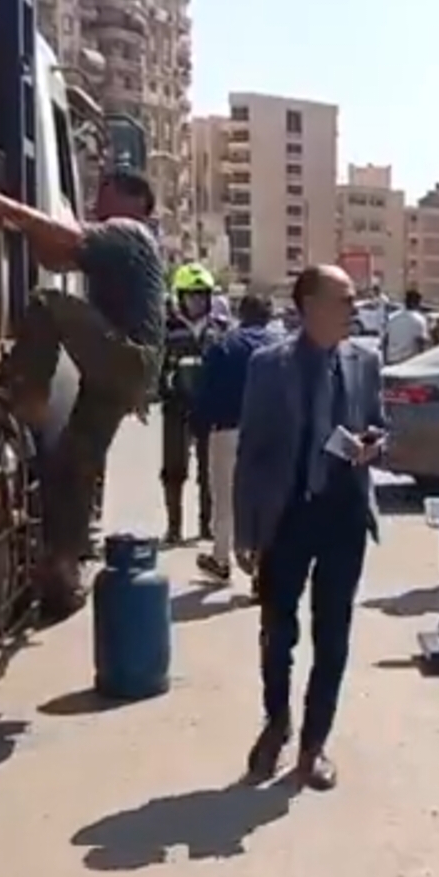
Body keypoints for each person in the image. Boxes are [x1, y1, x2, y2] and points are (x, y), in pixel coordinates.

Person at [0, 170, 165, 619]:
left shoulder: (128, 231)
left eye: (105, 193)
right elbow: (57, 258)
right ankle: (63, 573)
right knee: (74, 466)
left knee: (46, 303)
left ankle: (28, 396)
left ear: (134, 200)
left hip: (124, 356)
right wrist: (28, 227)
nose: (96, 203)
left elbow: (64, 240)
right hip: (127, 372)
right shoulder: (123, 248)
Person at [235, 264, 385, 791]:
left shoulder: (366, 361)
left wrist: (373, 445)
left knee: (333, 633)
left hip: (344, 514)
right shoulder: (268, 366)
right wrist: (245, 531)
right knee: (278, 631)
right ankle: (276, 722)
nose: (354, 309)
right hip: (288, 514)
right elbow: (251, 452)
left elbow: (380, 425)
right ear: (311, 306)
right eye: (344, 300)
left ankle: (314, 744)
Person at [194, 293, 273, 583]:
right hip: (271, 434)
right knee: (265, 500)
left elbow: (206, 391)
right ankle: (262, 569)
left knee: (224, 498)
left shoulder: (224, 345)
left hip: (228, 430)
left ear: (240, 314)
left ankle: (220, 558)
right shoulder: (281, 346)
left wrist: (199, 429)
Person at [160, 262, 228, 545]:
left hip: (208, 410)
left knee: (208, 471)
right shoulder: (167, 330)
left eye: (201, 295)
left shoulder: (219, 330)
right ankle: (174, 527)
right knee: (173, 470)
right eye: (191, 295)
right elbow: (157, 368)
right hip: (176, 408)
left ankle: (206, 525)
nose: (196, 301)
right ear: (180, 297)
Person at [383, 289, 429, 365]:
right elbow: (422, 343)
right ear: (418, 303)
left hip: (392, 360)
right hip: (409, 363)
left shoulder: (393, 318)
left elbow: (385, 341)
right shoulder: (419, 320)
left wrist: (385, 360)